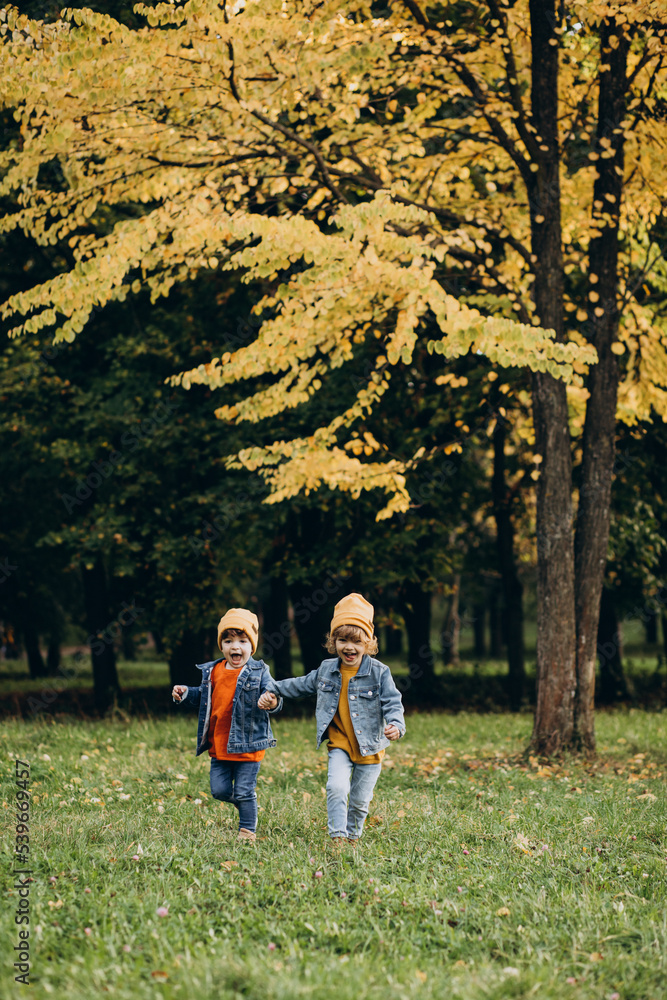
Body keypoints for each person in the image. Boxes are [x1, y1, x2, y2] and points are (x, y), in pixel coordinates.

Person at [259, 593, 405, 845]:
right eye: (342, 640)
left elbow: (393, 702)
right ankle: (337, 838)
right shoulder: (327, 669)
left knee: (360, 801)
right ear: (333, 641)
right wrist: (271, 687)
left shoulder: (380, 672)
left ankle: (352, 837)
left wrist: (396, 725)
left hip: (370, 747)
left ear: (368, 643)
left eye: (357, 641)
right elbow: (299, 685)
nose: (349, 647)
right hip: (340, 744)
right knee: (336, 787)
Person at [172, 608, 281, 842]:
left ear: (252, 646)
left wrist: (271, 701)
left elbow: (273, 694)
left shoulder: (259, 671)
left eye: (243, 641)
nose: (235, 647)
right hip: (220, 746)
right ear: (221, 646)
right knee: (219, 791)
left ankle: (247, 830)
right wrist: (185, 694)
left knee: (243, 790)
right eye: (228, 640)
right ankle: (247, 804)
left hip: (248, 746)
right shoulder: (214, 671)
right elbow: (203, 696)